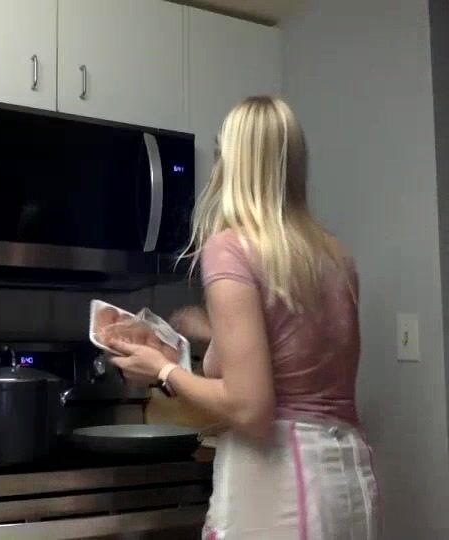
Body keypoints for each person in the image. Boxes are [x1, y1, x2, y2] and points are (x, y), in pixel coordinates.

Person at [108, 96, 380, 539]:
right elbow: (295, 351)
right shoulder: (334, 254)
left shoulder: (231, 248)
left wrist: (162, 370)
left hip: (281, 482)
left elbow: (250, 408)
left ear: (231, 161)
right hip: (347, 478)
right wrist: (209, 333)